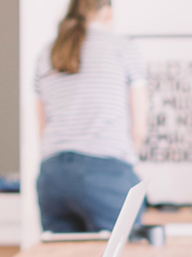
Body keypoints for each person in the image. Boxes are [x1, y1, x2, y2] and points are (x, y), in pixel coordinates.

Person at [36, 0, 147, 232]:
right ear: (107, 13)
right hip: (104, 170)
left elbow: (42, 127)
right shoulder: (122, 47)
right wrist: (127, 166)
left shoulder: (47, 52)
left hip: (53, 174)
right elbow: (139, 128)